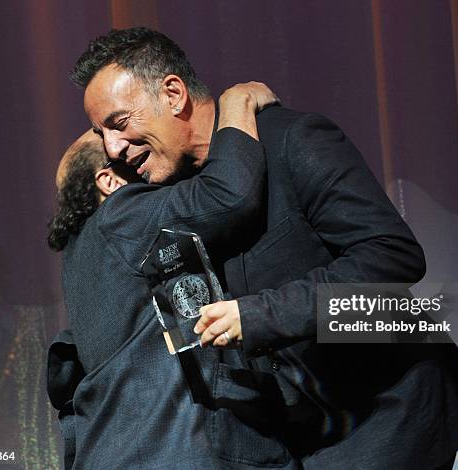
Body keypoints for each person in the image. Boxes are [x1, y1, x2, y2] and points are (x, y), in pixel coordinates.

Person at [63, 27, 458, 469]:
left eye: (119, 123)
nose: (111, 147)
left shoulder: (292, 140)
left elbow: (391, 256)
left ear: (173, 94)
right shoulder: (182, 195)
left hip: (386, 408)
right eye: (101, 133)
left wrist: (260, 315)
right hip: (302, 429)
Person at [47, 82, 284, 469]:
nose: (125, 149)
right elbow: (228, 196)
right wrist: (236, 102)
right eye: (116, 153)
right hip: (178, 451)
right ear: (109, 182)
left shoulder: (84, 257)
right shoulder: (121, 216)